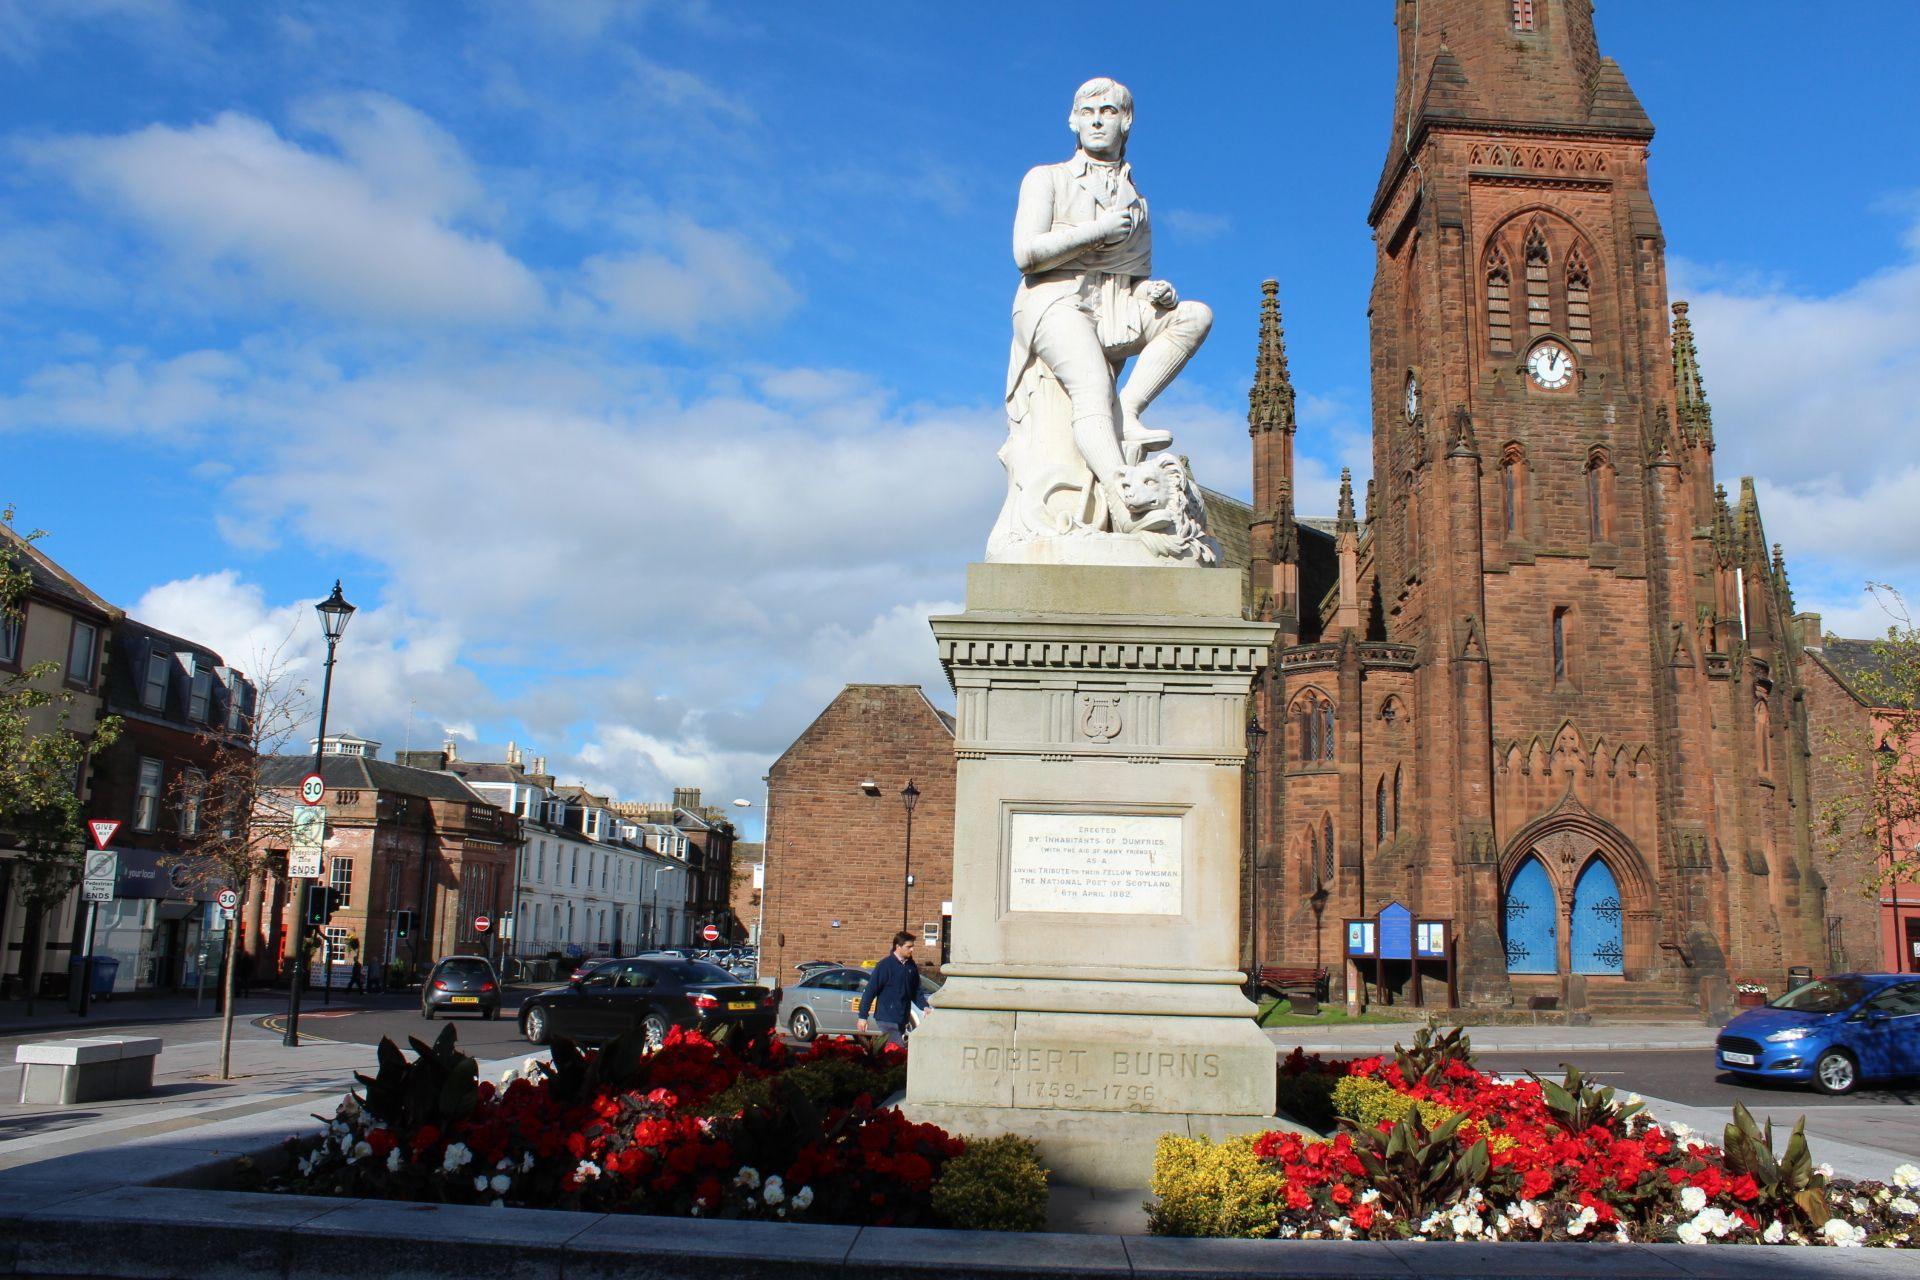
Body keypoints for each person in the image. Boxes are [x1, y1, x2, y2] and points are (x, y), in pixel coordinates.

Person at [1006, 76, 1212, 528]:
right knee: (1092, 384)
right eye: (1087, 112)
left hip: (1114, 306)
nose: (1097, 121)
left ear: (1127, 121)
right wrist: (1098, 231)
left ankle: (1130, 412)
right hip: (1053, 298)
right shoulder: (1047, 178)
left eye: (1109, 112)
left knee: (1195, 315)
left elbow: (1132, 277)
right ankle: (1124, 500)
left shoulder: (1137, 201)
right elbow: (1026, 254)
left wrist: (1152, 293)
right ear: (1073, 122)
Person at [855, 931, 930, 1048]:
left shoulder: (911, 966)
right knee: (897, 1049)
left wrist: (925, 1007)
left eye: (912, 947)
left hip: (902, 1017)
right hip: (886, 1017)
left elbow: (915, 990)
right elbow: (870, 991)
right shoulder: (885, 965)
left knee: (891, 1054)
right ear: (898, 947)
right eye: (909, 947)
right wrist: (862, 1017)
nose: (912, 950)